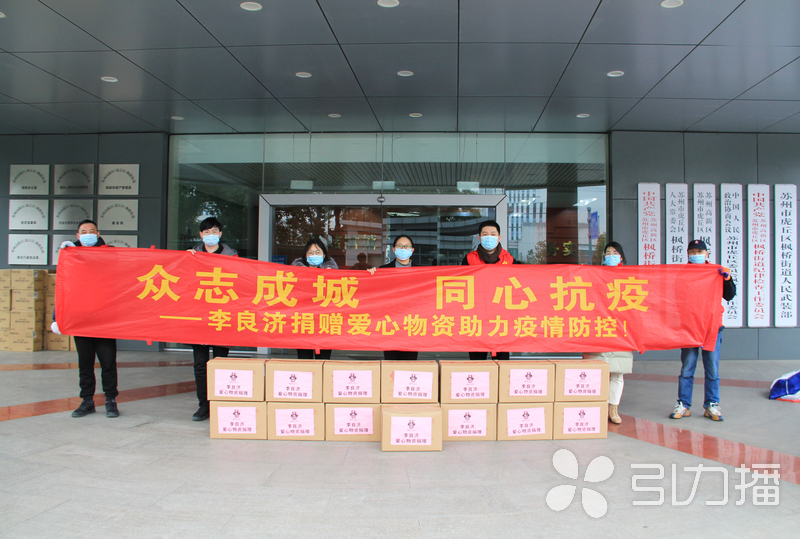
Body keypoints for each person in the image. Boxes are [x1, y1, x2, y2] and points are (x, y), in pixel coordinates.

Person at [51, 220, 120, 418]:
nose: (88, 234)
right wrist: (56, 316)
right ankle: (87, 400)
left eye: (91, 231)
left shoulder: (110, 253)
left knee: (108, 362)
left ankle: (110, 400)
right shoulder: (71, 256)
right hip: (81, 319)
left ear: (98, 234)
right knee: (85, 363)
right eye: (83, 232)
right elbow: (63, 287)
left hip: (105, 319)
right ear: (78, 235)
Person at [670, 239, 736, 422]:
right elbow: (675, 298)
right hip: (690, 327)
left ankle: (712, 405)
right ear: (688, 254)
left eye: (699, 251)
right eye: (692, 251)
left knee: (712, 368)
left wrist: (728, 280)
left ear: (707, 254)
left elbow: (729, 295)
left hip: (711, 327)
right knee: (687, 368)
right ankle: (683, 404)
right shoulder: (682, 274)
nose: (696, 254)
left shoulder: (716, 272)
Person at [186, 217, 238, 421]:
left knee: (220, 362)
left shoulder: (232, 256)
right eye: (206, 232)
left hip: (221, 317)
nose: (210, 235)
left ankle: (219, 403)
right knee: (200, 364)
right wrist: (185, 260)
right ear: (201, 235)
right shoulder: (192, 255)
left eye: (214, 231)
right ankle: (203, 405)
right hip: (199, 317)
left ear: (220, 234)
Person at [583, 241, 633, 424]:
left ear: (621, 257)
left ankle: (613, 408)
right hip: (599, 327)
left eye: (615, 253)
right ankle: (601, 405)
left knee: (618, 372)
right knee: (599, 370)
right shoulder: (596, 275)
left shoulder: (630, 277)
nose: (611, 256)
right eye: (608, 253)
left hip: (621, 329)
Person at [462, 220, 522, 360]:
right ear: (479, 238)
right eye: (485, 234)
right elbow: (462, 284)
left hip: (502, 318)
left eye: (493, 234)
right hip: (477, 317)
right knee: (477, 360)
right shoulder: (469, 259)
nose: (489, 237)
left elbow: (518, 284)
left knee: (502, 360)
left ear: (499, 237)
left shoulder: (510, 259)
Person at [368, 235, 419, 360]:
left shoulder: (422, 271)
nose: (403, 248)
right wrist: (370, 275)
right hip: (390, 322)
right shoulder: (383, 271)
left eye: (407, 246)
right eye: (400, 246)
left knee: (410, 363)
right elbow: (371, 292)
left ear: (412, 250)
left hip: (412, 323)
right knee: (390, 362)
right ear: (394, 249)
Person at [291, 236, 338, 360]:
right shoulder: (294, 273)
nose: (314, 255)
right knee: (304, 359)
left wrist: (332, 276)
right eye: (311, 252)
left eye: (317, 252)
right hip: (303, 321)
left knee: (323, 360)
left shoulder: (333, 273)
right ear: (305, 255)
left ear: (324, 255)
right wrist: (297, 274)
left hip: (324, 322)